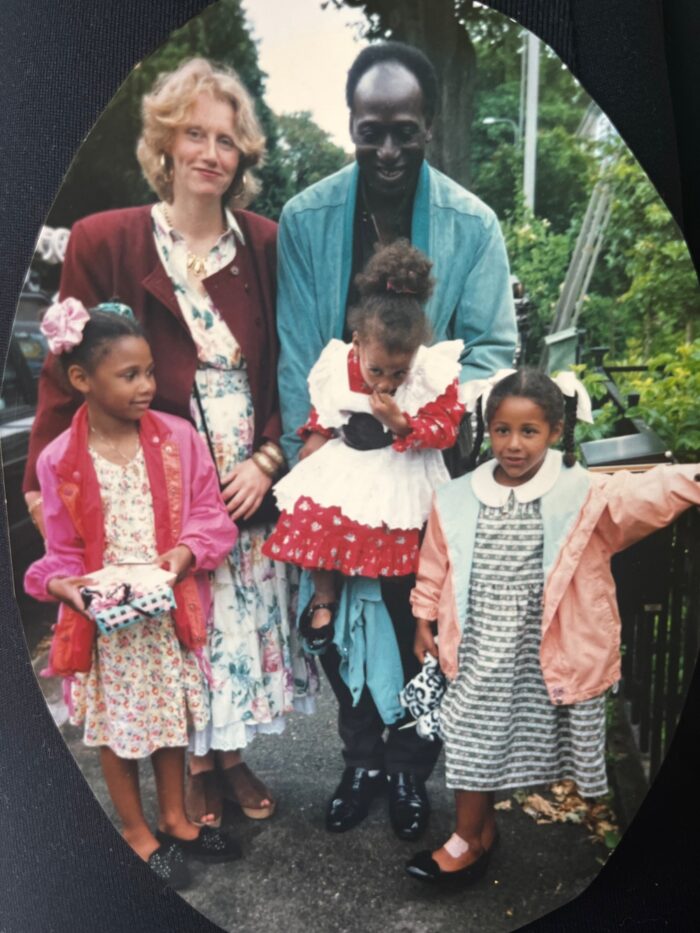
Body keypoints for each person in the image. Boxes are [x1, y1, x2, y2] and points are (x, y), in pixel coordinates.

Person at [22, 58, 318, 829]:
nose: (211, 152)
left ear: (242, 155)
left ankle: (225, 755)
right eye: (195, 133)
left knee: (236, 612)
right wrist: (41, 473)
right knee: (174, 608)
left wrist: (269, 456)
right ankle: (194, 762)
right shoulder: (105, 237)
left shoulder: (264, 242)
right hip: (154, 462)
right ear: (166, 143)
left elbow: (292, 359)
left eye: (226, 139)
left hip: (245, 459)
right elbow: (68, 370)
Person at [276, 40, 517, 840]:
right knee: (339, 625)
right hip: (341, 471)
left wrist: (413, 403)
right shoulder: (309, 218)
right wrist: (310, 451)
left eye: (403, 132)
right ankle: (361, 758)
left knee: (419, 629)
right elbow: (296, 352)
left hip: (422, 470)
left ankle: (412, 769)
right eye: (370, 129)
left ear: (428, 130)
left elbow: (491, 352)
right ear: (350, 123)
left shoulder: (471, 224)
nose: (386, 149)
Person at [406, 368, 700, 885]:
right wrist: (423, 616)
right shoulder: (455, 496)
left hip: (544, 645)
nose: (513, 444)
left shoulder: (580, 493)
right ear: (487, 429)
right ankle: (469, 837)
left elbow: (643, 494)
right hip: (477, 642)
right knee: (471, 732)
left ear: (556, 432)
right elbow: (435, 559)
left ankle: (481, 831)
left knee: (501, 737)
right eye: (502, 430)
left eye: (528, 431)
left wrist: (691, 478)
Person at [24, 302, 241, 889]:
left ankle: (175, 816)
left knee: (168, 722)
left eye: (149, 371)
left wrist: (187, 553)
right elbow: (61, 552)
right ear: (81, 380)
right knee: (119, 733)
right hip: (105, 630)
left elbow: (209, 516)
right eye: (129, 375)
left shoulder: (179, 440)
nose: (147, 385)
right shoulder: (59, 460)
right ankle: (135, 830)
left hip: (162, 617)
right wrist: (62, 584)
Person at [264, 239, 464, 650]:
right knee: (315, 511)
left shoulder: (430, 373)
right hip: (349, 455)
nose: (386, 382)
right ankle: (324, 595)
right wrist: (316, 435)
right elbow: (326, 407)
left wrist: (403, 423)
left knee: (394, 527)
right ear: (357, 343)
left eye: (398, 372)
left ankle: (398, 611)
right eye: (377, 369)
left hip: (398, 461)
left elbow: (446, 429)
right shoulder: (339, 361)